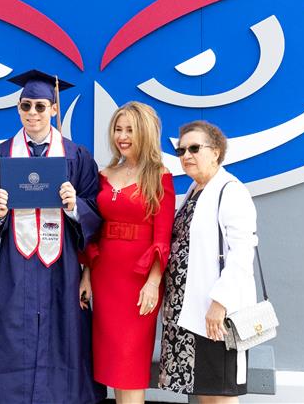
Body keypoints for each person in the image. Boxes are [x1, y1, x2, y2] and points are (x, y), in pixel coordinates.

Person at [0, 69, 104, 404]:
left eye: (40, 107)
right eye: (25, 106)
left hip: (62, 262)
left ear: (54, 109)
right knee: (15, 330)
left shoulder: (76, 155)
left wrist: (76, 207)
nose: (32, 113)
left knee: (64, 331)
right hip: (18, 262)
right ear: (18, 109)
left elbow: (96, 210)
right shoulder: (2, 154)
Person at [78, 102, 175, 403]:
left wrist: (153, 282)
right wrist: (86, 276)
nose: (122, 136)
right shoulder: (104, 174)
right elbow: (93, 229)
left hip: (139, 282)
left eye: (130, 130)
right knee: (112, 366)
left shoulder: (159, 175)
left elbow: (162, 236)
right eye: (118, 129)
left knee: (130, 364)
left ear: (144, 132)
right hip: (106, 276)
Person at [158, 121, 258, 402]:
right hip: (190, 312)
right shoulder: (195, 191)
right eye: (181, 150)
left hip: (216, 314)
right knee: (205, 391)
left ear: (215, 152)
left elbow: (242, 250)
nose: (186, 155)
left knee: (221, 394)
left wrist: (220, 302)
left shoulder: (230, 191)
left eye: (194, 148)